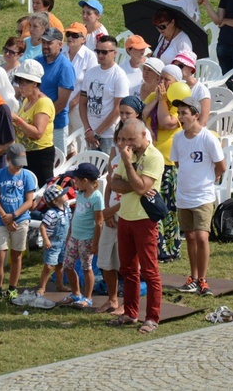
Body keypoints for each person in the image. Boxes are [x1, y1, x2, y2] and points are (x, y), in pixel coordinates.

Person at [108, 119, 164, 334]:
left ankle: (152, 317)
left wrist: (130, 168)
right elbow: (115, 184)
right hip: (126, 217)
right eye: (123, 139)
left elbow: (141, 187)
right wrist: (136, 183)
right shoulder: (127, 154)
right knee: (128, 269)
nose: (126, 143)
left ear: (143, 135)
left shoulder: (154, 157)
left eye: (131, 139)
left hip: (144, 220)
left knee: (150, 271)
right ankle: (131, 313)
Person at [171, 96, 225, 296]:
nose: (180, 117)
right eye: (179, 113)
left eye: (184, 113)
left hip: (203, 196)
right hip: (184, 195)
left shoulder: (207, 137)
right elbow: (178, 163)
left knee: (202, 236)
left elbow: (221, 166)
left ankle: (203, 279)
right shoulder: (177, 138)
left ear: (195, 115)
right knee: (190, 237)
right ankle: (192, 278)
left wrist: (209, 180)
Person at [96, 96, 145, 316]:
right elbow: (109, 182)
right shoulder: (115, 154)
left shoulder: (138, 154)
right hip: (112, 213)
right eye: (121, 113)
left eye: (128, 113)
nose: (122, 143)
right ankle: (112, 299)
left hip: (129, 212)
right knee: (106, 259)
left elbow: (135, 188)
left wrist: (113, 210)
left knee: (128, 264)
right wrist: (106, 209)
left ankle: (128, 303)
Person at [142, 64, 183, 260]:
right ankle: (155, 247)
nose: (162, 83)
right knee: (153, 204)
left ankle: (169, 249)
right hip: (152, 160)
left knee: (168, 207)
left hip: (168, 162)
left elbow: (166, 122)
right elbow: (142, 114)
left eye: (167, 79)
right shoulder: (155, 97)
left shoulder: (178, 102)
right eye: (161, 79)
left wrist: (164, 101)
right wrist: (158, 99)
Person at [0, 143, 36, 303]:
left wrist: (14, 216)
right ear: (7, 159)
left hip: (20, 220)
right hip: (1, 221)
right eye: (15, 163)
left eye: (21, 164)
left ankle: (13, 289)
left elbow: (29, 202)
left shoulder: (27, 176)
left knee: (16, 255)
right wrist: (5, 217)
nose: (18, 167)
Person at [58, 163, 104, 309]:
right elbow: (76, 215)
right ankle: (76, 294)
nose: (74, 183)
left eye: (76, 180)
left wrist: (95, 243)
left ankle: (88, 297)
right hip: (74, 237)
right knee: (68, 266)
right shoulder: (80, 194)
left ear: (85, 181)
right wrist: (70, 233)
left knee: (86, 268)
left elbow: (99, 223)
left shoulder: (96, 197)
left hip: (87, 239)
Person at [80, 35, 129, 154]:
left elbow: (118, 109)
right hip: (90, 131)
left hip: (108, 134)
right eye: (98, 51)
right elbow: (82, 103)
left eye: (104, 52)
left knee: (107, 169)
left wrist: (97, 132)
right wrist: (88, 130)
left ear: (115, 53)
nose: (100, 55)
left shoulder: (119, 76)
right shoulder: (91, 72)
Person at [11, 60, 55, 187]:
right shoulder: (26, 100)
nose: (20, 86)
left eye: (24, 83)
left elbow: (37, 133)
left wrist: (16, 119)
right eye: (19, 82)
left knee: (41, 191)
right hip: (25, 154)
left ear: (34, 83)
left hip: (40, 156)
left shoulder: (43, 103)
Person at [35, 28, 76, 153]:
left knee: (56, 162)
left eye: (49, 43)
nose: (45, 46)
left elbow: (61, 103)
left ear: (60, 44)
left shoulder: (65, 67)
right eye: (43, 42)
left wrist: (41, 121)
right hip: (36, 122)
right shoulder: (37, 61)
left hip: (56, 125)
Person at [64, 22, 97, 141]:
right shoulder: (61, 51)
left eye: (75, 35)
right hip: (60, 103)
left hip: (80, 105)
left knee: (80, 138)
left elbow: (89, 84)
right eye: (68, 34)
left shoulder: (90, 56)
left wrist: (73, 102)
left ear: (83, 39)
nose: (70, 38)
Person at [36, 184, 71, 296]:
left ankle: (60, 285)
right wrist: (46, 240)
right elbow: (43, 226)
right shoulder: (51, 213)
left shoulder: (67, 209)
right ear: (55, 201)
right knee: (48, 266)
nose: (65, 195)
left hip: (64, 242)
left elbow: (69, 225)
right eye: (62, 194)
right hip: (53, 243)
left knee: (60, 264)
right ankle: (42, 287)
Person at [172, 51, 212, 126]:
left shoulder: (202, 90)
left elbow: (203, 121)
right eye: (175, 66)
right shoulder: (176, 86)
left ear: (191, 68)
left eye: (180, 66)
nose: (177, 69)